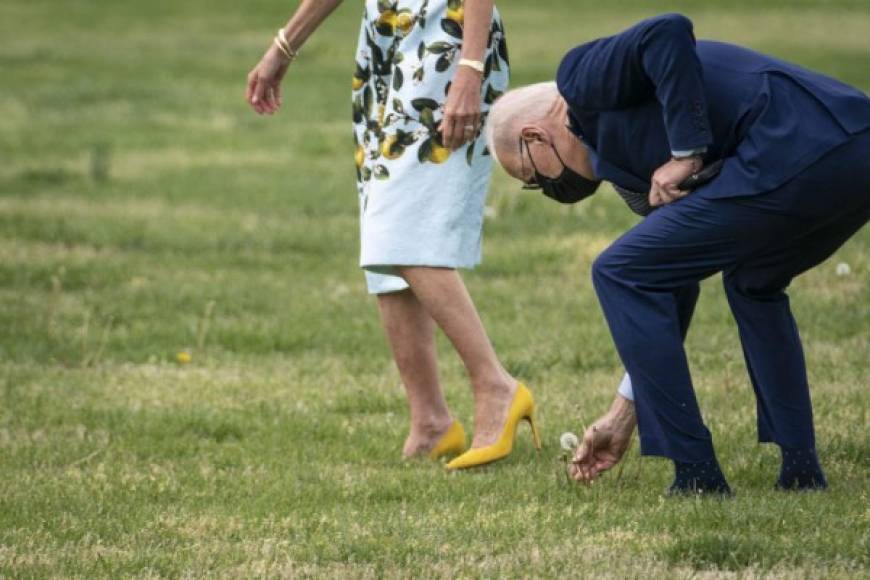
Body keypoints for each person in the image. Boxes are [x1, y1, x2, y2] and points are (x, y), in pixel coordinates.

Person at [485, 13, 870, 493]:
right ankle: (801, 468)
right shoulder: (630, 176)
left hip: (796, 144)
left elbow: (666, 30)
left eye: (533, 180)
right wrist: (624, 412)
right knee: (753, 283)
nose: (547, 189)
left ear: (534, 138)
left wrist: (687, 152)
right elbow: (671, 286)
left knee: (617, 270)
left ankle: (697, 474)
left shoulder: (579, 81)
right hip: (850, 150)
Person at [246, 0, 540, 469]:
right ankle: (430, 421)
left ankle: (496, 387)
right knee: (382, 235)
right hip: (385, 42)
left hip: (449, 41)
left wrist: (469, 66)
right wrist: (284, 46)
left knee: (399, 229)